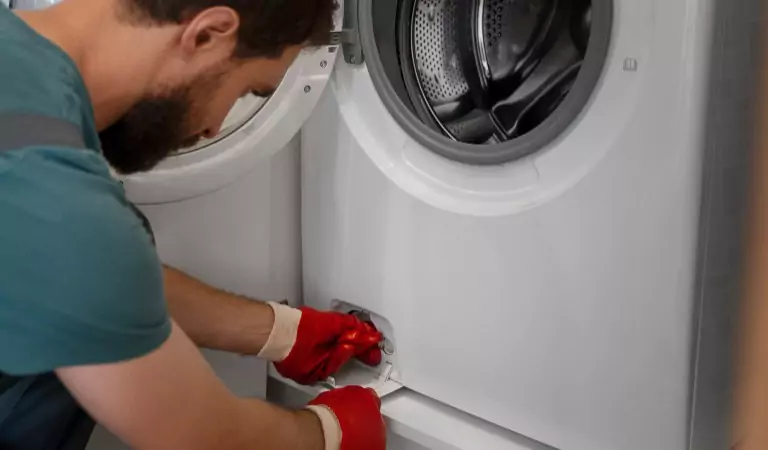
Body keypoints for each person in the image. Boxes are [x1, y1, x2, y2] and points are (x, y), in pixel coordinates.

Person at [0, 0, 388, 449]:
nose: (214, 127)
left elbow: (77, 277)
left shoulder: (24, 75)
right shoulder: (53, 191)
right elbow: (205, 438)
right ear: (206, 35)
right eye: (247, 90)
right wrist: (331, 433)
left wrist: (279, 332)